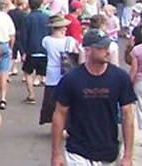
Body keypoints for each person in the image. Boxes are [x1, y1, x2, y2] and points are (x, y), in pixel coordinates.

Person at [51, 28, 136, 166]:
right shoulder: (71, 79)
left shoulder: (120, 78)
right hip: (77, 151)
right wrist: (56, 154)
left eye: (108, 47)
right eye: (102, 48)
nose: (107, 51)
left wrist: (128, 155)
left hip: (108, 152)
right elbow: (59, 115)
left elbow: (128, 115)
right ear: (88, 50)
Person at [39, 15, 78, 125]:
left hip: (51, 71)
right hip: (66, 71)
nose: (66, 29)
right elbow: (75, 53)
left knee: (52, 99)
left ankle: (54, 121)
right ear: (61, 28)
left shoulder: (46, 40)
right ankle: (67, 123)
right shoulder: (70, 41)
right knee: (68, 98)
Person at [21, 0, 49, 103]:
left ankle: (31, 94)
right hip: (44, 49)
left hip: (31, 50)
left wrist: (24, 50)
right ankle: (46, 97)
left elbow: (24, 35)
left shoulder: (28, 18)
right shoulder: (46, 17)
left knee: (27, 72)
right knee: (44, 74)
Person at [8, 0, 29, 76]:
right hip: (21, 35)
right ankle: (24, 74)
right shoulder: (24, 14)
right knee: (23, 53)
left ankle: (11, 69)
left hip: (12, 34)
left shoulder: (10, 12)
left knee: (13, 54)